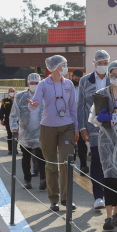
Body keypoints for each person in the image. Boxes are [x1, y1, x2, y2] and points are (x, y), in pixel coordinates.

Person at [88, 60, 117, 230]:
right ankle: (108, 217)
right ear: (109, 75)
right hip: (106, 141)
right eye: (113, 75)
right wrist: (99, 119)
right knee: (109, 176)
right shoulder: (101, 94)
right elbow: (92, 118)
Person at [30, 55, 80, 212]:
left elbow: (73, 108)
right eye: (63, 64)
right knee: (51, 165)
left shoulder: (69, 84)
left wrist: (76, 128)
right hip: (48, 128)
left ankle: (66, 199)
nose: (65, 67)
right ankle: (54, 199)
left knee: (66, 163)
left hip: (67, 128)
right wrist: (33, 105)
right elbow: (35, 102)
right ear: (54, 67)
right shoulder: (44, 84)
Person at [78, 50, 110, 209]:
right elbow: (81, 105)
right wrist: (82, 127)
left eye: (105, 63)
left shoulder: (114, 78)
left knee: (109, 161)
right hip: (93, 127)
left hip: (111, 127)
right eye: (100, 63)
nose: (103, 66)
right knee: (97, 158)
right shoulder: (85, 81)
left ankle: (109, 194)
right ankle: (98, 196)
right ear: (95, 64)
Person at [11, 74, 46, 190]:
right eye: (32, 83)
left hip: (40, 132)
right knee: (26, 157)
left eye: (37, 83)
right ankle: (27, 180)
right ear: (28, 84)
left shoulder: (44, 96)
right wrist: (14, 128)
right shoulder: (20, 97)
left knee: (41, 157)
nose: (34, 85)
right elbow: (14, 114)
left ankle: (43, 179)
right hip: (25, 133)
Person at [0, 87, 15, 154]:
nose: (12, 92)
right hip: (8, 120)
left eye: (13, 91)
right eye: (11, 91)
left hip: (17, 120)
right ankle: (10, 149)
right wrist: (1, 119)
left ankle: (15, 149)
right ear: (8, 93)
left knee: (16, 134)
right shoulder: (5, 101)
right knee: (10, 134)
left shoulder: (18, 99)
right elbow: (2, 111)